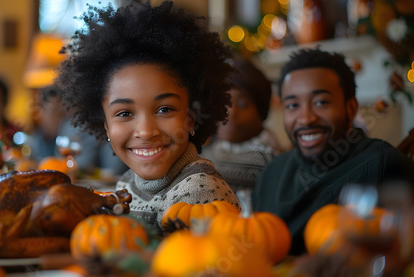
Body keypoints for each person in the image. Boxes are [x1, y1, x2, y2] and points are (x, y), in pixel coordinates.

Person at [56, 1, 240, 232]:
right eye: (124, 113)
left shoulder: (197, 190)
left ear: (191, 118)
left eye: (164, 109)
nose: (145, 130)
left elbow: (167, 264)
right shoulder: (128, 182)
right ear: (107, 127)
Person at [252, 48, 414, 255]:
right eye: (292, 105)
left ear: (351, 108)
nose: (306, 118)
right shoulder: (272, 173)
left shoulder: (383, 164)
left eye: (321, 102)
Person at [201, 58, 281, 193]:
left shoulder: (266, 158)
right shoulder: (213, 145)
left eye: (243, 104)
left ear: (261, 112)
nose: (231, 112)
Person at [28, 86, 128, 175]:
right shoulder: (39, 136)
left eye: (60, 112)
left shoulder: (74, 127)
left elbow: (110, 170)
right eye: (53, 113)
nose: (58, 118)